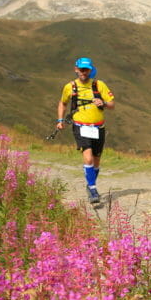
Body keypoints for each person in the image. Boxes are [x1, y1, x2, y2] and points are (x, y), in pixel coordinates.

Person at [55, 57, 116, 205]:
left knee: (96, 160)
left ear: (90, 70)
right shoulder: (70, 87)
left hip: (98, 127)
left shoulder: (99, 85)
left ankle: (90, 184)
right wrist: (60, 120)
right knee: (88, 158)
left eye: (86, 69)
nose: (83, 72)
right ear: (76, 69)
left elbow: (112, 104)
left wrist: (104, 103)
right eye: (81, 69)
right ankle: (93, 188)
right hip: (80, 126)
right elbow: (63, 103)